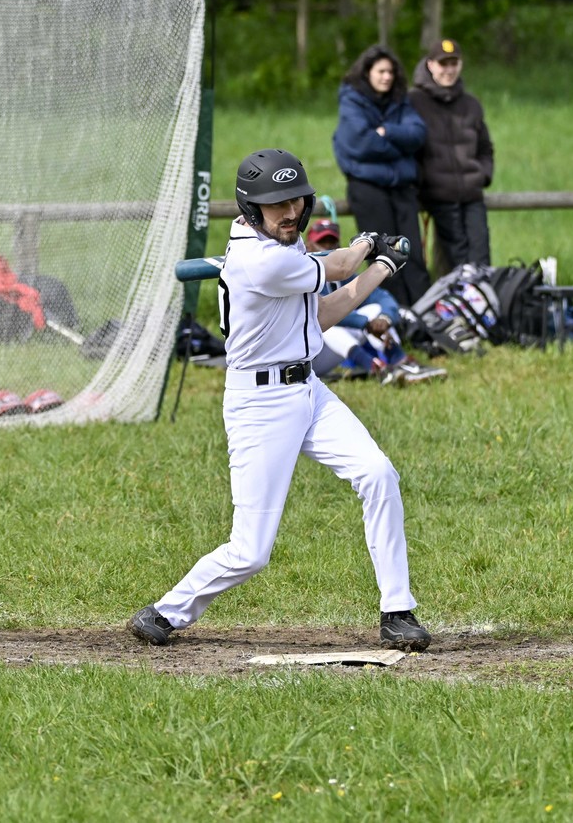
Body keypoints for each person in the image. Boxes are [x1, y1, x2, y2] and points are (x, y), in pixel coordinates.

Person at [128, 149, 431, 652]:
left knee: (377, 473)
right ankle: (165, 612)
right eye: (277, 205)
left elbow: (326, 312)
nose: (290, 212)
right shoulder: (260, 261)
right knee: (251, 552)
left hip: (308, 389)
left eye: (296, 201)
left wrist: (382, 266)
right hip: (260, 405)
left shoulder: (283, 253)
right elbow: (335, 266)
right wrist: (364, 244)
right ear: (251, 211)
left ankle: (397, 611)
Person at [332, 44, 430, 305]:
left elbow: (418, 134)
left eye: (391, 72)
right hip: (368, 188)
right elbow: (362, 143)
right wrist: (400, 146)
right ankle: (391, 316)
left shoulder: (400, 101)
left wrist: (387, 132)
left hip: (402, 188)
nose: (387, 77)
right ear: (367, 72)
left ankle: (422, 315)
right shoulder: (352, 100)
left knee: (413, 253)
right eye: (381, 71)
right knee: (383, 257)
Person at [305, 219, 446, 385]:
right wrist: (365, 323)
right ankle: (376, 368)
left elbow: (383, 298)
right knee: (324, 325)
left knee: (374, 310)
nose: (328, 247)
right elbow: (318, 313)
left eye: (333, 242)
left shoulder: (345, 275)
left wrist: (383, 319)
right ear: (308, 247)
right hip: (305, 359)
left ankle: (400, 362)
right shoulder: (306, 273)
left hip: (333, 350)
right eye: (322, 243)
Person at [410, 38, 494, 270]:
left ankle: (482, 304)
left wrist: (483, 175)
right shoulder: (414, 101)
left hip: (472, 193)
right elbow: (408, 146)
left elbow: (485, 147)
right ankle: (456, 306)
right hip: (438, 195)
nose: (448, 69)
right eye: (443, 63)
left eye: (453, 63)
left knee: (481, 255)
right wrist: (423, 181)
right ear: (430, 65)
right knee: (456, 261)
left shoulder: (471, 104)